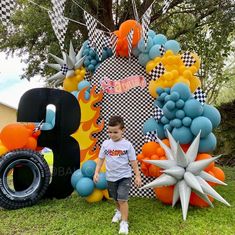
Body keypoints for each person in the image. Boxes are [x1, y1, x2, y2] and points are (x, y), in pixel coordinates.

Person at [93, 115, 142, 235]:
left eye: (115, 132)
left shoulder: (127, 145)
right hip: (111, 177)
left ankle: (124, 223)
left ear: (122, 130)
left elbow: (133, 162)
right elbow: (100, 159)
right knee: (115, 198)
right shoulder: (105, 144)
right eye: (109, 132)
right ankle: (118, 211)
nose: (112, 134)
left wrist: (137, 175)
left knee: (122, 199)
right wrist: (96, 172)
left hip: (124, 177)